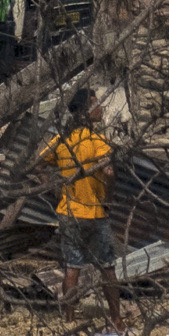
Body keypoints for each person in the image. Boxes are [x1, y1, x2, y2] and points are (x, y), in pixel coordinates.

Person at [48, 108, 116, 277]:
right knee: (107, 266)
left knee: (72, 267)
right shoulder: (97, 140)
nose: (101, 108)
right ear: (85, 110)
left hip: (69, 212)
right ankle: (114, 305)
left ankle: (68, 304)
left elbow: (37, 165)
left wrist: (54, 192)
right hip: (95, 213)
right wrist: (107, 200)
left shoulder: (60, 140)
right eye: (96, 104)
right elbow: (109, 173)